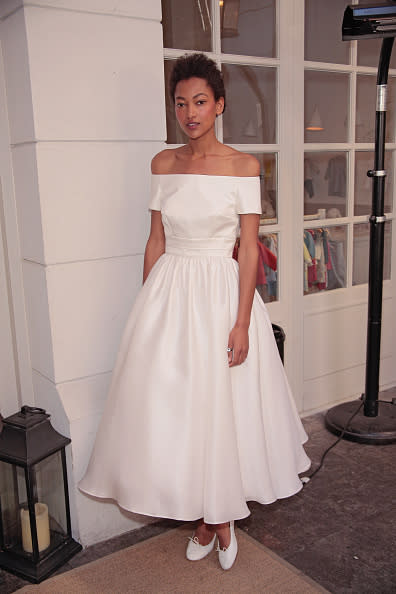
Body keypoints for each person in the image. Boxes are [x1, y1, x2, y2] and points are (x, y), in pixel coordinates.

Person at [79, 53, 310, 571]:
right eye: (181, 103)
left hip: (221, 293)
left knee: (223, 407)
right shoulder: (163, 164)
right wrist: (147, 310)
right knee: (179, 409)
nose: (190, 113)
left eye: (200, 102)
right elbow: (155, 240)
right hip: (170, 293)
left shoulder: (243, 167)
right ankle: (207, 515)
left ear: (219, 105)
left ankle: (219, 517)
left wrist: (243, 320)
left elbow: (249, 250)